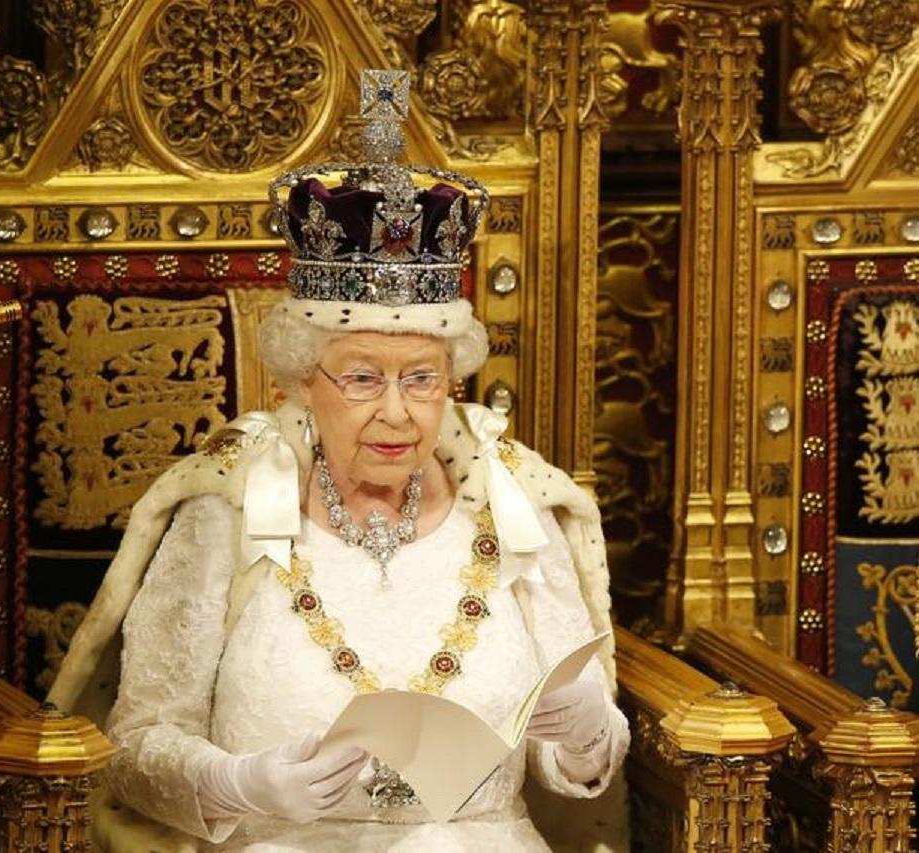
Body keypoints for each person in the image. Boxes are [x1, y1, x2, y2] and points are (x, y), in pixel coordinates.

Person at [47, 71, 628, 851]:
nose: (397, 410)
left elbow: (579, 765)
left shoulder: (513, 503)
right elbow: (140, 741)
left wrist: (589, 729)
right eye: (361, 377)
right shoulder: (225, 507)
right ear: (298, 380)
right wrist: (236, 784)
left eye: (422, 378)